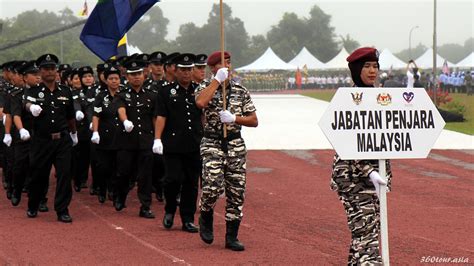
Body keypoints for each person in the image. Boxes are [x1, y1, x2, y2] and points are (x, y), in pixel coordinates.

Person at [330, 47, 393, 265]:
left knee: (365, 235)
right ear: (356, 70)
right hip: (353, 179)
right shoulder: (347, 99)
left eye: (375, 66)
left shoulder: (381, 98)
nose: (372, 71)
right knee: (367, 239)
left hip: (377, 178)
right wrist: (370, 171)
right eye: (366, 66)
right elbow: (345, 142)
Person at [195, 51, 258, 251]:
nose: (227, 67)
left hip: (234, 144)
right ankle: (205, 213)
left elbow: (254, 120)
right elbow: (200, 103)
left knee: (236, 191)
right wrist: (216, 81)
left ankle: (232, 236)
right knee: (212, 185)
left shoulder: (240, 90)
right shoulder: (205, 87)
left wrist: (235, 119)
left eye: (229, 63)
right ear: (213, 68)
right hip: (212, 142)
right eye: (223, 64)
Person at [24, 54, 78, 223]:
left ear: (57, 71)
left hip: (62, 140)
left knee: (64, 174)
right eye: (46, 69)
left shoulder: (65, 91)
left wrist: (74, 133)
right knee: (39, 175)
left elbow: (70, 116)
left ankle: (62, 209)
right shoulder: (33, 91)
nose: (50, 72)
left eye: (52, 68)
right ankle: (33, 204)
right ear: (40, 71)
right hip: (42, 140)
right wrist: (31, 107)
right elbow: (26, 103)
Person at [154, 53, 203, 232]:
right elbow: (161, 116)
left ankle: (187, 219)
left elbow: (204, 115)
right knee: (173, 179)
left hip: (193, 143)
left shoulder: (199, 90)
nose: (186, 73)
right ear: (175, 71)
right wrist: (157, 138)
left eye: (189, 70)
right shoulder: (166, 91)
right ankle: (169, 210)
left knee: (191, 182)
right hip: (173, 143)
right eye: (182, 70)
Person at [113, 59, 156, 219]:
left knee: (145, 176)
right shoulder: (122, 95)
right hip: (127, 141)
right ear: (127, 77)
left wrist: (157, 139)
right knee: (124, 173)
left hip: (145, 140)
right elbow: (120, 109)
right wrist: (125, 121)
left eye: (138, 74)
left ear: (144, 75)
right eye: (132, 75)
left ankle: (145, 206)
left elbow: (154, 118)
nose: (136, 77)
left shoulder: (152, 96)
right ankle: (121, 196)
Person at [91, 65, 121, 203]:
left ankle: (113, 190)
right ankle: (102, 190)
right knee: (103, 166)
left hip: (120, 135)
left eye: (116, 78)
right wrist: (95, 132)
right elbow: (96, 115)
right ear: (106, 80)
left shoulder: (124, 95)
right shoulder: (101, 96)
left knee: (117, 166)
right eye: (111, 79)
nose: (114, 81)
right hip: (105, 135)